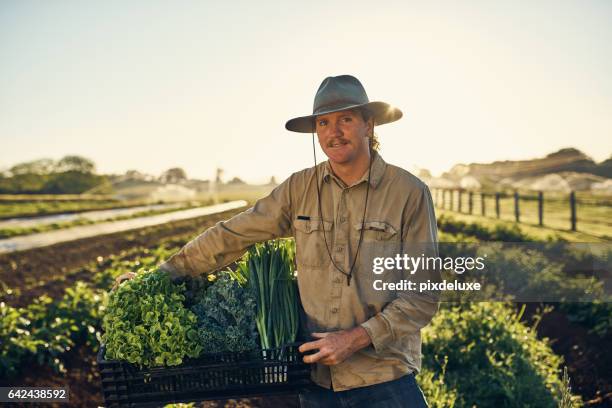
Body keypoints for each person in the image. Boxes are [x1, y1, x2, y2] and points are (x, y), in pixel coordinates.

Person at [115, 74, 439, 408]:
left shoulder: (408, 193)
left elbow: (424, 295)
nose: (333, 131)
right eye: (323, 122)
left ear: (369, 125)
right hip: (316, 380)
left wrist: (355, 338)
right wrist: (161, 275)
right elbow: (234, 234)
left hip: (383, 378)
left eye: (346, 119)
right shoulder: (300, 188)